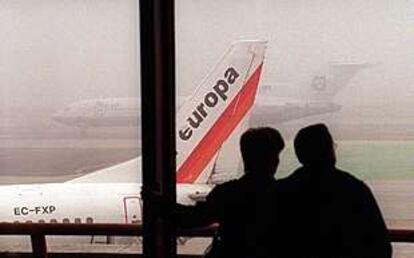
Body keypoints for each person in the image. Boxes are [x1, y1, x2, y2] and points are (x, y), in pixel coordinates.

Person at [278, 123, 392, 258]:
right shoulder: (354, 189)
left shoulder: (281, 191)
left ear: (300, 155)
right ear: (329, 151)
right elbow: (381, 246)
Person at [174, 127, 285, 258]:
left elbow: (192, 219)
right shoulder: (285, 193)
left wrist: (159, 203)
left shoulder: (228, 192)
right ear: (274, 160)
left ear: (246, 157)